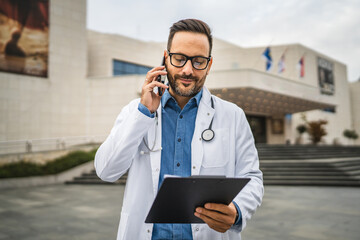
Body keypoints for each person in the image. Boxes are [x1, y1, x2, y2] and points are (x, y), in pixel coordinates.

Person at [95, 19, 264, 240]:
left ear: (209, 65)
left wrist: (237, 211)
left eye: (198, 61)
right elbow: (106, 171)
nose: (187, 70)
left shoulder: (232, 116)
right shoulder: (135, 112)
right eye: (179, 58)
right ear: (166, 58)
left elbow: (252, 177)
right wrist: (143, 114)